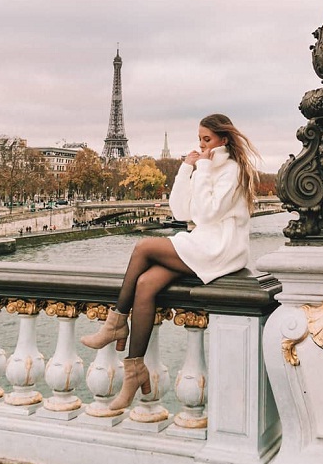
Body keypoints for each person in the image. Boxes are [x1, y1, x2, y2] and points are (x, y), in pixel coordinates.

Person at [81, 113, 258, 412]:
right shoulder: (206, 166)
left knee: (143, 248)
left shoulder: (231, 170)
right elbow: (180, 211)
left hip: (220, 247)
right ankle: (134, 372)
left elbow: (206, 215)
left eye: (207, 140)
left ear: (223, 140)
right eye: (199, 139)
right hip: (202, 241)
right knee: (146, 284)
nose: (201, 145)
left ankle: (116, 322)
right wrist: (185, 169)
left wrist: (200, 168)